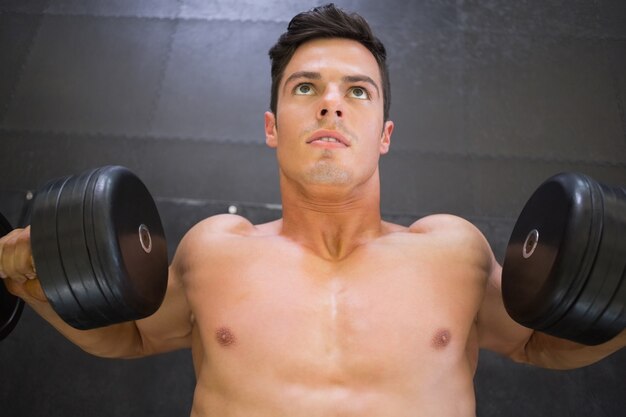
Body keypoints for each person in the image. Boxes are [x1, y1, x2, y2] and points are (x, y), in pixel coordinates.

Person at [1, 4, 624, 416]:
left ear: (384, 133)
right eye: (306, 88)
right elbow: (131, 335)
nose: (332, 105)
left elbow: (542, 344)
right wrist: (30, 283)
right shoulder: (215, 247)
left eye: (358, 90)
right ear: (273, 126)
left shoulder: (452, 251)